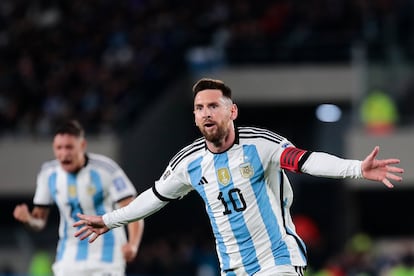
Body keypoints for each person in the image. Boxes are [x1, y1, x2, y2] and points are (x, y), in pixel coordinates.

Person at [73, 78, 404, 276]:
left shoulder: (261, 145)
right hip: (234, 268)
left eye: (213, 106)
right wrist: (110, 220)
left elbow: (305, 161)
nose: (206, 113)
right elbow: (154, 197)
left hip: (277, 261)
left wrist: (355, 168)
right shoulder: (189, 163)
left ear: (231, 111)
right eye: (200, 108)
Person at [13, 119, 144, 276]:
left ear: (82, 145)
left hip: (108, 254)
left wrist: (133, 244)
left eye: (69, 147)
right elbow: (39, 222)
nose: (64, 153)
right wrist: (28, 219)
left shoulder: (106, 169)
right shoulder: (48, 173)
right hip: (69, 254)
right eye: (58, 148)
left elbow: (133, 210)